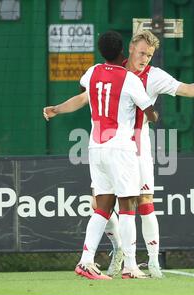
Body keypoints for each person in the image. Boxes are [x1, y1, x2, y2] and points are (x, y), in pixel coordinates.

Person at [44, 31, 194, 278]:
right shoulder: (120, 74)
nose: (145, 58)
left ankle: (152, 262)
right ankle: (120, 252)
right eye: (142, 52)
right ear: (131, 48)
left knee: (143, 203)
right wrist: (59, 108)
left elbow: (183, 89)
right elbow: (86, 96)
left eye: (150, 55)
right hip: (118, 148)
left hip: (136, 149)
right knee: (105, 205)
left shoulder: (152, 76)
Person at [46, 30, 159, 280]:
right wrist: (150, 115)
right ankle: (130, 266)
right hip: (120, 149)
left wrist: (57, 109)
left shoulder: (93, 72)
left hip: (96, 148)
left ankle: (86, 261)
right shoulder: (130, 79)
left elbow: (84, 94)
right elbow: (150, 113)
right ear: (122, 52)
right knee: (128, 206)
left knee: (102, 208)